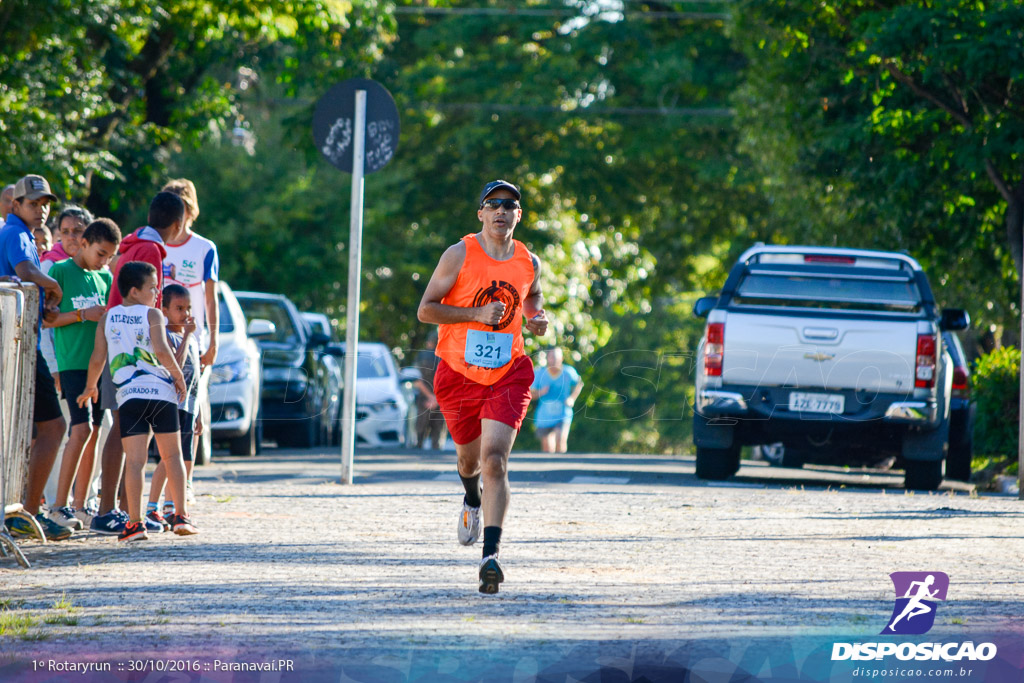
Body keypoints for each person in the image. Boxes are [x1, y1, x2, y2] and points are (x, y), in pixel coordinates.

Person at [417, 179, 548, 593]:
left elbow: (533, 297)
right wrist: (475, 313)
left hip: (509, 370)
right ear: (481, 213)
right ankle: (471, 497)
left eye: (509, 205)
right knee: (469, 462)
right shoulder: (458, 255)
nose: (501, 211)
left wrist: (536, 317)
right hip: (457, 372)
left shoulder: (529, 261)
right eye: (493, 205)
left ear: (518, 215)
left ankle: (490, 556)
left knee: (495, 460)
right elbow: (426, 311)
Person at [78, 261, 197, 542]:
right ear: (134, 290)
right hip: (161, 395)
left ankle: (134, 523)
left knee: (134, 461)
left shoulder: (108, 317)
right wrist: (179, 378)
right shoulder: (153, 314)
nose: (157, 292)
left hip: (129, 397)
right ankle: (180, 516)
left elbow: (98, 357)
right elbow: (161, 349)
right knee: (173, 456)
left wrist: (90, 387)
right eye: (153, 287)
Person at [91, 192, 185, 535]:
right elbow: (153, 321)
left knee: (125, 436)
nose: (157, 290)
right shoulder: (148, 252)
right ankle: (115, 510)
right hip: (135, 362)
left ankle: (121, 511)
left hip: (119, 352)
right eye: (154, 287)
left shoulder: (133, 243)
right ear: (178, 224)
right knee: (130, 441)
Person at [0, 174, 71, 541]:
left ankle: (23, 510)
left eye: (45, 205)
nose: (41, 210)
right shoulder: (15, 233)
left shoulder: (24, 234)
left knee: (26, 430)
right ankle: (25, 512)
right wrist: (53, 285)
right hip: (16, 345)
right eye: (33, 204)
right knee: (52, 426)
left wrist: (43, 304)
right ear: (15, 205)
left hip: (21, 339)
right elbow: (26, 273)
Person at [161, 179, 219, 500]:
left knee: (192, 409)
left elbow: (211, 298)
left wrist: (213, 341)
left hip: (193, 337)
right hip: (160, 336)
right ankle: (163, 482)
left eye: (181, 204)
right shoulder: (157, 243)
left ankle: (186, 481)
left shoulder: (205, 248)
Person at [146, 284, 201, 530]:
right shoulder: (168, 336)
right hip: (173, 404)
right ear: (164, 310)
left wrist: (200, 412)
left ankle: (171, 505)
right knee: (169, 459)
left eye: (188, 308)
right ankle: (151, 507)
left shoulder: (192, 338)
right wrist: (187, 336)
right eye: (179, 308)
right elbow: (174, 366)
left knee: (184, 458)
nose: (185, 314)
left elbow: (198, 379)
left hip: (189, 405)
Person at [530, 348, 583, 454]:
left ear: (561, 358)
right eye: (551, 357)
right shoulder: (540, 373)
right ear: (547, 359)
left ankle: (561, 469)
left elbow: (579, 383)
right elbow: (530, 395)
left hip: (563, 412)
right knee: (547, 447)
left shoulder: (568, 372)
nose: (553, 360)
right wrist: (541, 392)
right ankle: (549, 469)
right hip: (545, 415)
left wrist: (572, 398)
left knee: (560, 440)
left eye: (556, 357)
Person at [413, 330, 446, 450]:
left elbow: (416, 381)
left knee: (419, 438)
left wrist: (430, 397)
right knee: (437, 441)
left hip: (424, 400)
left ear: (429, 342)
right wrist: (437, 399)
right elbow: (448, 381)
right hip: (441, 400)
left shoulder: (421, 356)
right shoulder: (447, 357)